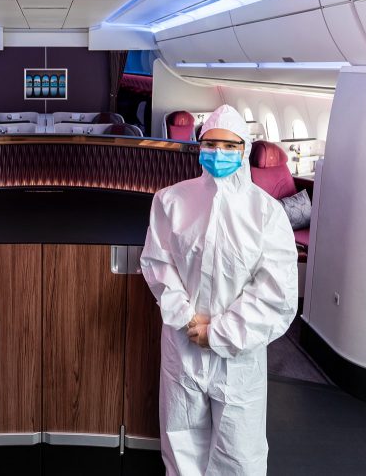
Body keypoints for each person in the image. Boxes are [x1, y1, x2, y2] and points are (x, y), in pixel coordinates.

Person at [141, 104, 298, 476]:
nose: (219, 153)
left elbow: (276, 292)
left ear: (243, 150)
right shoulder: (171, 201)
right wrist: (187, 317)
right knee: (181, 440)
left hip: (238, 355)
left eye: (229, 146)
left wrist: (219, 333)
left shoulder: (265, 213)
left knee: (239, 453)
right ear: (199, 148)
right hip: (183, 344)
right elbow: (158, 264)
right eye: (211, 144)